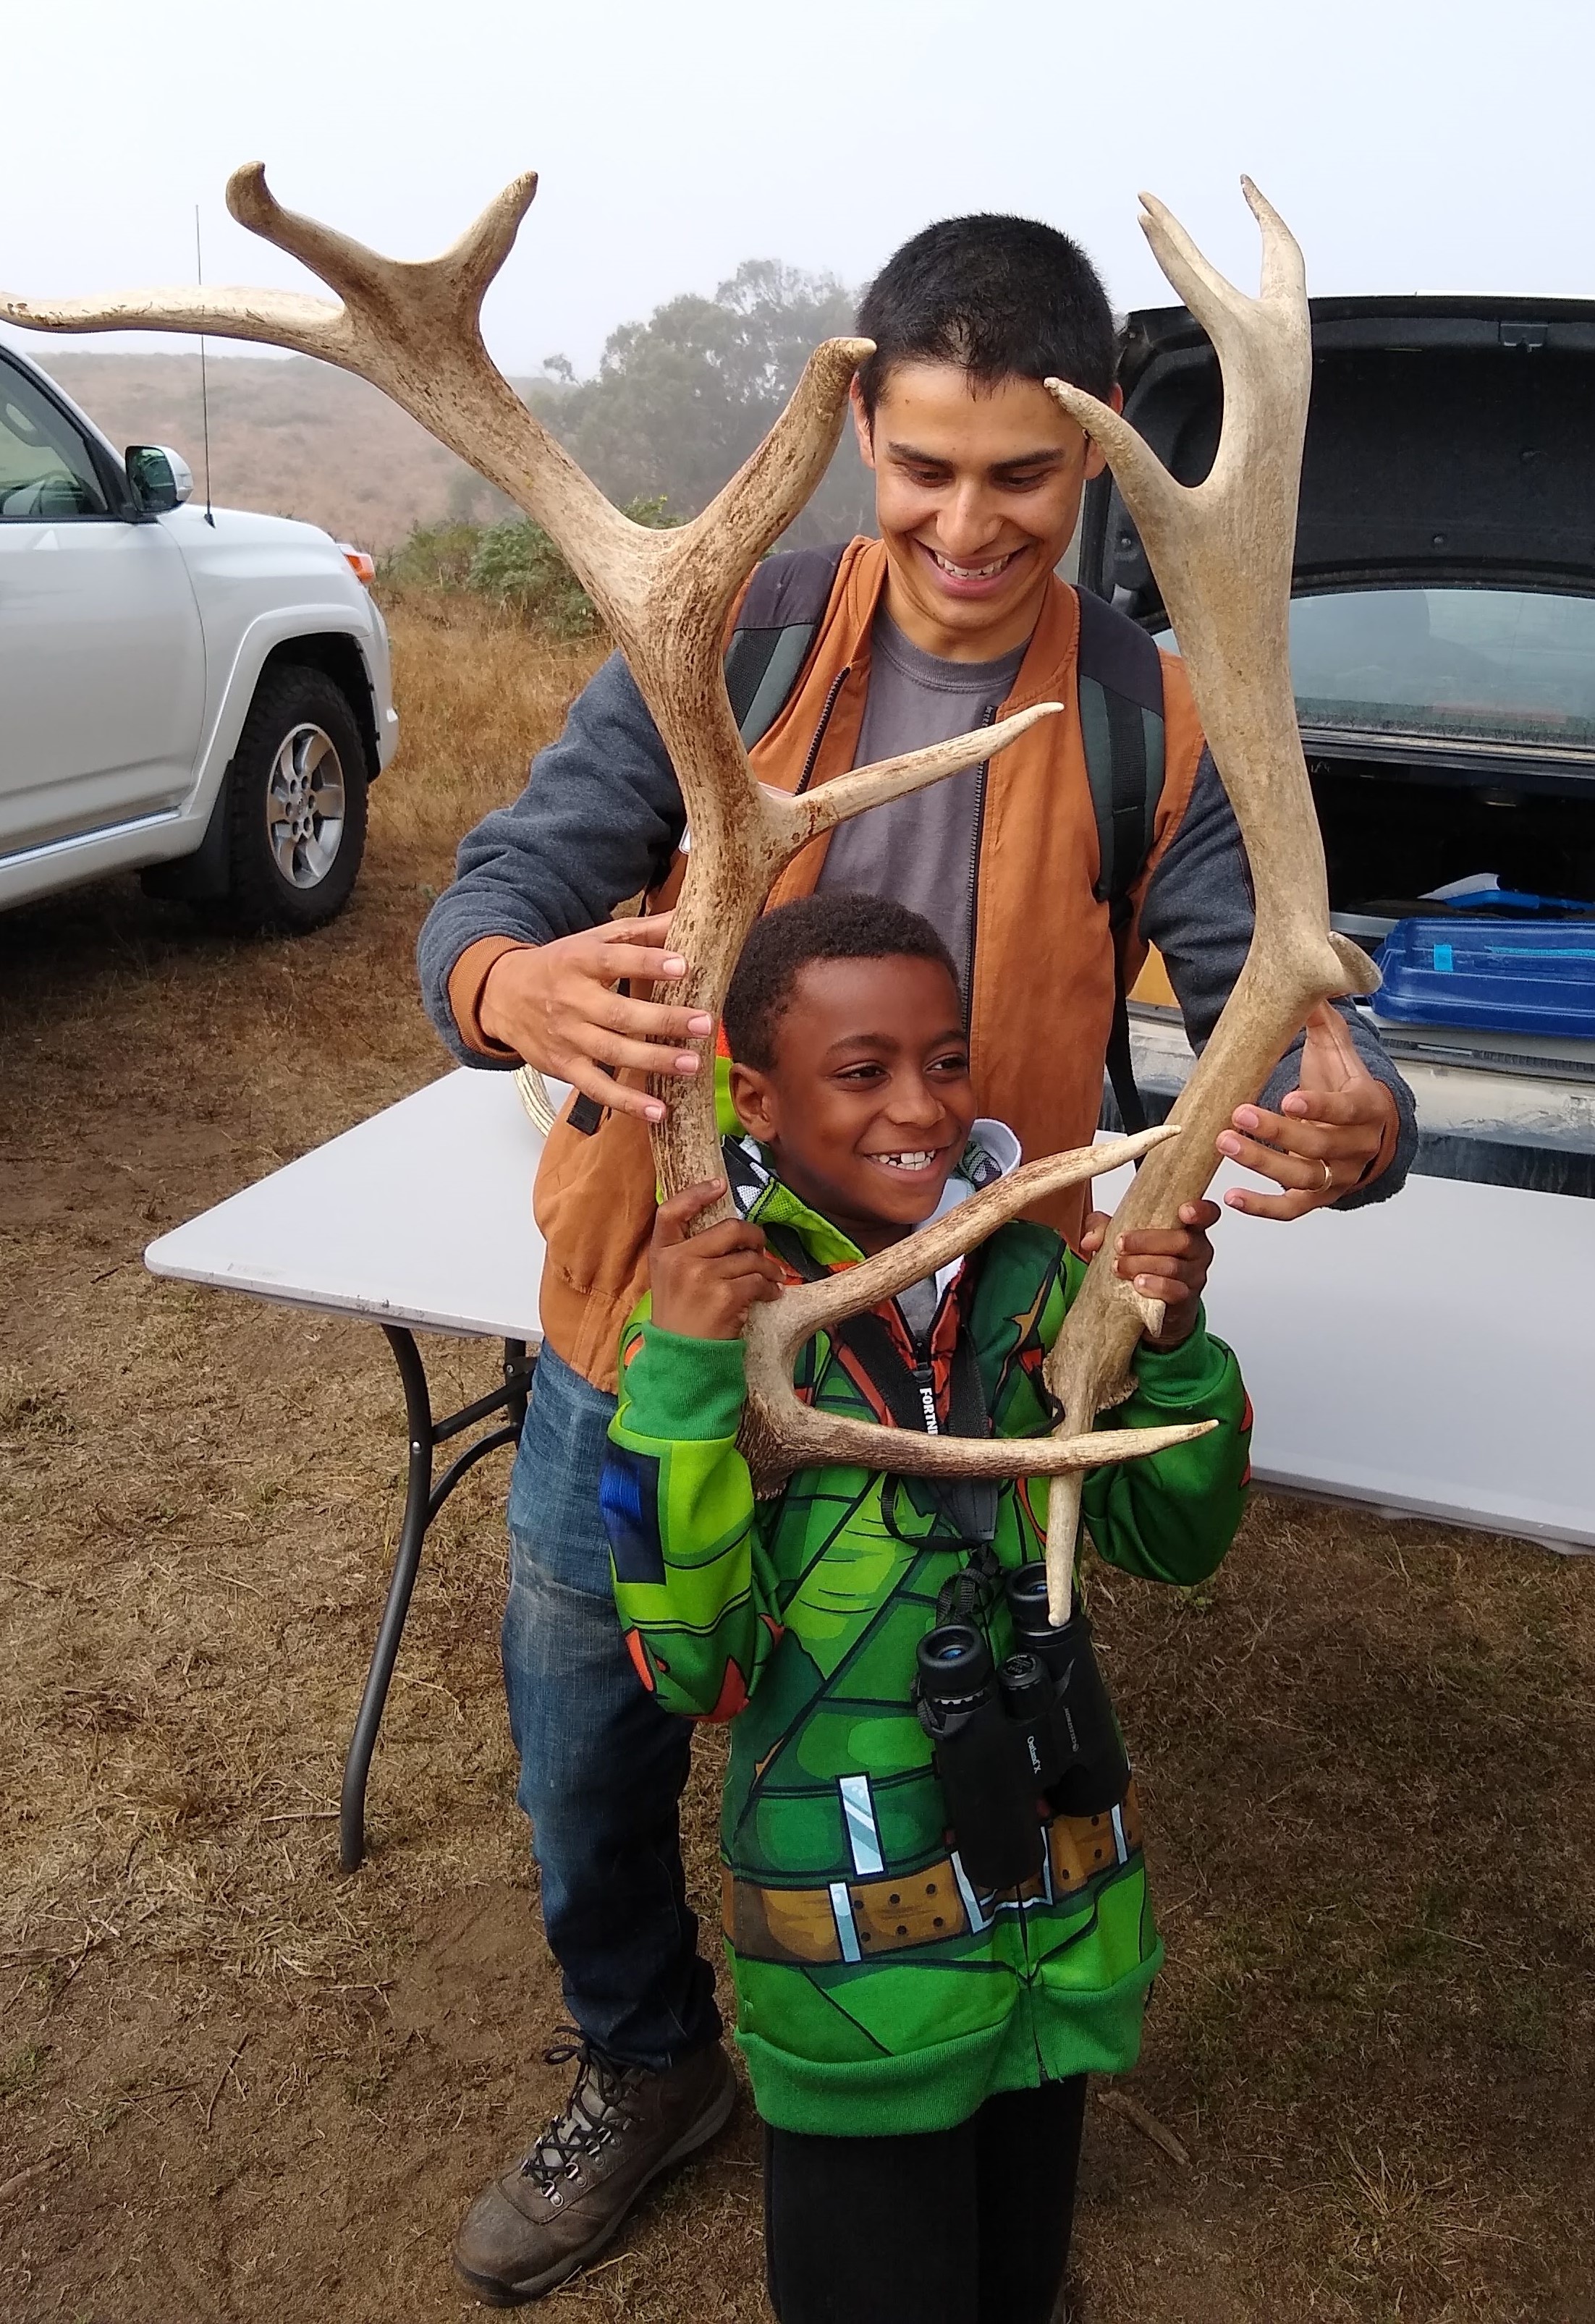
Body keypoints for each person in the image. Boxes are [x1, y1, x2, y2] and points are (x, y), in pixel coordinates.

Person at [420, 211, 1417, 2303]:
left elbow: (1281, 993)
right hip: (662, 1312)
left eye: (1021, 476)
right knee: (590, 1734)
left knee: (943, 1718)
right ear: (862, 429)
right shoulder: (730, 630)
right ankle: (644, 2056)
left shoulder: (1149, 714)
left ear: (1103, 456)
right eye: (926, 464)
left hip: (950, 1368)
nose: (968, 521)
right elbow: (511, 870)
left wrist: (1355, 1112)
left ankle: (958, 2083)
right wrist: (504, 980)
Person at [598, 893, 1251, 2324]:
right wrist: (687, 1382)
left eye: (946, 1061)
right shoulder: (725, 1322)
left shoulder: (1031, 1279)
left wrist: (1175, 1344)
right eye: (862, 1070)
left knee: (1017, 2279)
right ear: (751, 1098)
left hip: (1051, 1929)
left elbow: (1175, 1526)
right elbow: (688, 1664)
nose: (921, 1105)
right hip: (860, 1982)